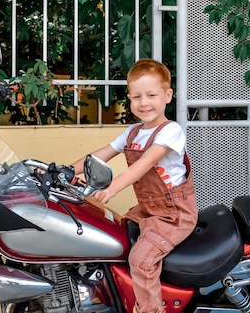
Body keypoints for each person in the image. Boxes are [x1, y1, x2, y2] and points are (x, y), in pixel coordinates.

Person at [71, 58, 198, 313]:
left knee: (141, 261)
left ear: (168, 95)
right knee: (109, 233)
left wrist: (113, 187)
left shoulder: (170, 131)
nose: (144, 102)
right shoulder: (132, 132)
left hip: (173, 215)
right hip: (148, 210)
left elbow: (146, 163)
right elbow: (99, 156)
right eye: (137, 96)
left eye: (151, 95)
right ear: (129, 98)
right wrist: (59, 170)